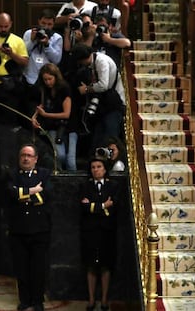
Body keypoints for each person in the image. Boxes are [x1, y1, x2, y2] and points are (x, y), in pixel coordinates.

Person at [5, 143, 52, 311]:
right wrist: (33, 190)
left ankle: (37, 301)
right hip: (18, 229)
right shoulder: (12, 174)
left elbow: (46, 194)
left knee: (38, 268)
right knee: (21, 267)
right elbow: (11, 193)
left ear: (36, 159)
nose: (25, 158)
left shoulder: (45, 174)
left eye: (29, 156)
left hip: (39, 229)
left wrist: (23, 195)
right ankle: (24, 300)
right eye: (23, 155)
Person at [79, 157, 120, 311]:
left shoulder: (113, 186)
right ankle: (91, 300)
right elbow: (84, 207)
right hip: (90, 231)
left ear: (104, 169)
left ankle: (104, 300)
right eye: (93, 167)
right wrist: (103, 206)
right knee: (90, 266)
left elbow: (114, 205)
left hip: (107, 231)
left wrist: (93, 207)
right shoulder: (85, 186)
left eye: (99, 166)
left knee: (105, 266)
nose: (96, 169)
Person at [71, 43, 125, 152]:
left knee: (110, 136)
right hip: (102, 105)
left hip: (114, 103)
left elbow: (103, 85)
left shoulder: (101, 61)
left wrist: (87, 89)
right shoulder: (92, 64)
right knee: (98, 138)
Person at [31, 63, 78, 171]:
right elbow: (41, 106)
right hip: (52, 126)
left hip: (69, 126)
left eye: (50, 79)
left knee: (71, 160)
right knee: (59, 156)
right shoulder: (44, 89)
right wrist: (34, 117)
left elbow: (66, 114)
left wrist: (46, 115)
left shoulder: (65, 88)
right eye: (45, 80)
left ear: (56, 77)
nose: (48, 82)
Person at [23, 9, 63, 86]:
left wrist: (47, 45)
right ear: (39, 21)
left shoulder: (57, 38)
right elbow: (23, 54)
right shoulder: (29, 33)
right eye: (43, 23)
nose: (46, 27)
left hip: (47, 81)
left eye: (49, 24)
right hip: (29, 77)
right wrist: (32, 41)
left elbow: (56, 60)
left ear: (53, 24)